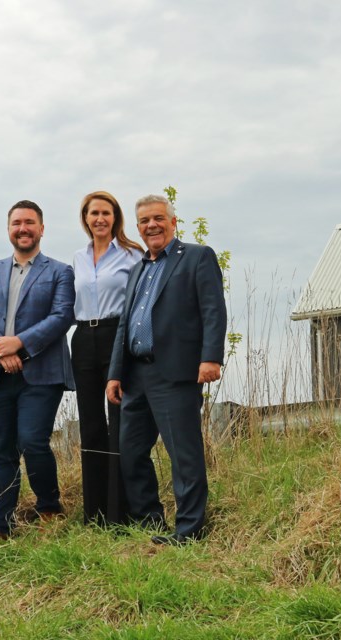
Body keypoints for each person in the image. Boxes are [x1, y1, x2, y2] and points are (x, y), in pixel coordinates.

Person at [106, 194, 227, 545]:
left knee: (183, 454)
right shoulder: (136, 270)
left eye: (158, 218)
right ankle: (150, 523)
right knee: (131, 454)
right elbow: (124, 325)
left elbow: (213, 310)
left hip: (176, 372)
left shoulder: (196, 257)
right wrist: (115, 373)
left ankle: (188, 531)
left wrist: (211, 358)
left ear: (173, 222)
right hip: (136, 376)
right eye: (144, 221)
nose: (151, 225)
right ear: (138, 227)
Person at [0, 199, 76, 539]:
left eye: (29, 222)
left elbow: (62, 316)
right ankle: (2, 527)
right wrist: (1, 349)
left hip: (41, 373)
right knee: (1, 451)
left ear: (41, 229)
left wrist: (20, 344)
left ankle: (49, 508)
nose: (23, 228)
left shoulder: (59, 271)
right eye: (17, 223)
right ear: (9, 229)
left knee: (32, 441)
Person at [71, 191, 143, 526]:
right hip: (84, 336)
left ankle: (121, 513)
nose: (100, 219)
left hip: (118, 334)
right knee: (91, 425)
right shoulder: (78, 258)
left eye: (106, 213)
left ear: (116, 218)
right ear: (85, 218)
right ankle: (94, 514)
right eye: (94, 213)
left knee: (120, 421)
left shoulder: (132, 255)